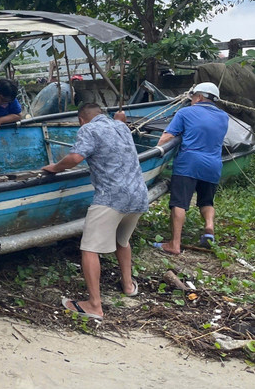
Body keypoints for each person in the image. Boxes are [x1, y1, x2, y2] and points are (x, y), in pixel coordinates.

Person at [42, 103, 147, 319]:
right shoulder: (122, 127)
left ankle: (94, 305)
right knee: (122, 241)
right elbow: (119, 121)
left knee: (89, 248)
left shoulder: (88, 129)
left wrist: (54, 167)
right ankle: (128, 285)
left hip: (111, 197)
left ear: (81, 119)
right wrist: (120, 119)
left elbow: (75, 158)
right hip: (138, 194)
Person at [154, 82, 229, 255]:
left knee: (179, 203)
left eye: (193, 97)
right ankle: (209, 227)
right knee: (206, 201)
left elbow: (168, 136)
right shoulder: (224, 117)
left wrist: (153, 153)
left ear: (200, 97)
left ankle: (174, 244)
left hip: (189, 163)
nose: (192, 100)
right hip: (213, 164)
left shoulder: (185, 112)